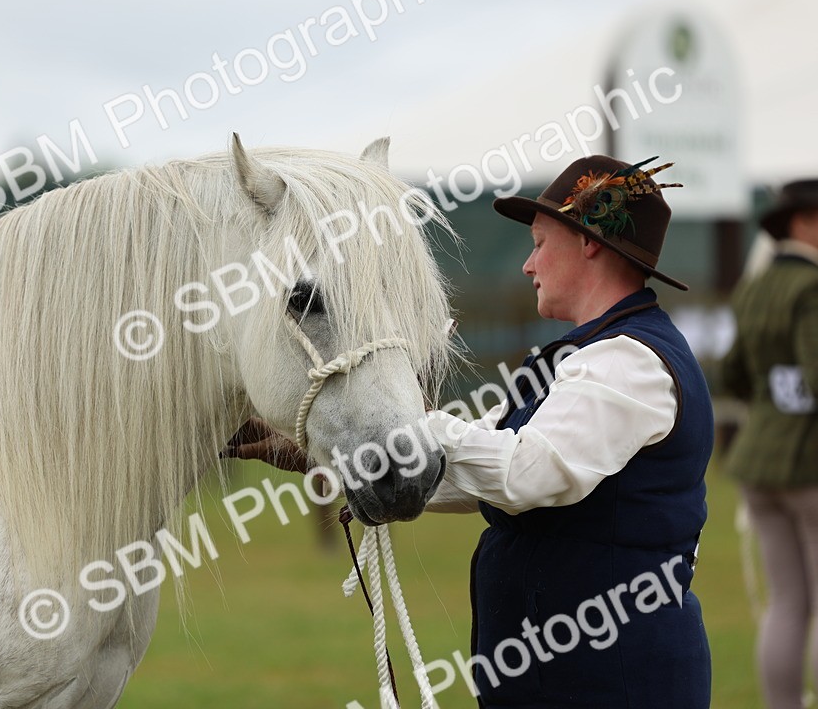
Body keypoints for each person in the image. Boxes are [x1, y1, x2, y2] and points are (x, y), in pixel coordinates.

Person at [227, 155, 714, 708]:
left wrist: (406, 431)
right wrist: (342, 458)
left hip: (614, 678)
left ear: (589, 244)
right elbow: (474, 468)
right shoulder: (596, 355)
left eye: (538, 243)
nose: (529, 265)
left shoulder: (629, 361)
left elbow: (528, 473)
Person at [721, 177, 818, 709]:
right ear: (802, 222)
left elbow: (736, 374)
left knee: (788, 605)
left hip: (764, 469)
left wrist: (776, 408)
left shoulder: (757, 286)